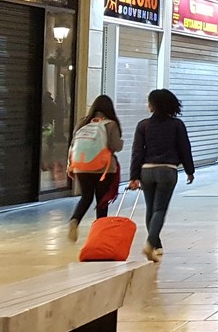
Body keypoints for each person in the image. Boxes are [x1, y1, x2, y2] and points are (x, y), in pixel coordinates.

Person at [128, 89, 194, 262]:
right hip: (167, 170)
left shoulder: (143, 125)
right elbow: (184, 148)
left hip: (147, 171)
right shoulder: (176, 125)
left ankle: (157, 246)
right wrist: (189, 170)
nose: (147, 105)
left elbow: (137, 152)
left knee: (151, 209)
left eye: (149, 102)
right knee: (159, 209)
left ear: (154, 105)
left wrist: (134, 176)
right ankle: (150, 243)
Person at [66, 94, 123, 241]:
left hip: (81, 167)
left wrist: (70, 165)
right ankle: (99, 235)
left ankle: (75, 220)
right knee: (101, 202)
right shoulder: (111, 124)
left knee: (86, 197)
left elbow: (73, 145)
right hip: (103, 168)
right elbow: (115, 146)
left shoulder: (83, 123)